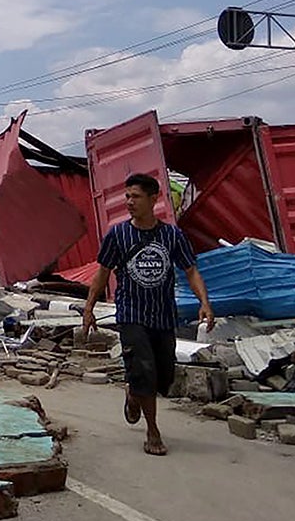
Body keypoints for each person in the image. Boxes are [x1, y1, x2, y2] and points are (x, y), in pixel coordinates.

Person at [83, 172, 214, 456]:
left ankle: (134, 393)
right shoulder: (118, 235)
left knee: (163, 377)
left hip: (163, 315)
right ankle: (153, 430)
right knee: (143, 368)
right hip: (131, 313)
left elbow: (190, 270)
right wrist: (89, 308)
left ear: (154, 199)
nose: (129, 202)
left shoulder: (172, 236)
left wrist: (204, 302)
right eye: (127, 196)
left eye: (136, 197)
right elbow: (102, 273)